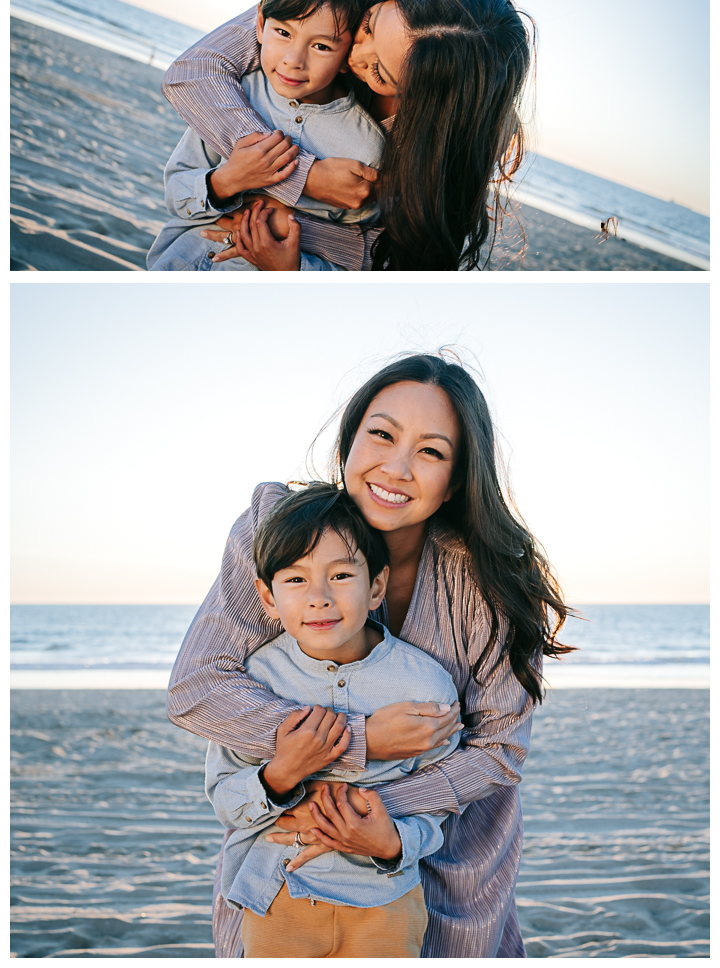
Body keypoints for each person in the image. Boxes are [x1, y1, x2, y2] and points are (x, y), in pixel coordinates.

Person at [167, 351, 574, 957]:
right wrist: (360, 740)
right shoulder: (276, 527)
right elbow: (198, 689)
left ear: (457, 478)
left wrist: (371, 816)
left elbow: (500, 752)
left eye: (431, 452)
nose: (398, 466)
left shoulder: (492, 576)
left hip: (446, 864)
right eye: (381, 435)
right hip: (288, 865)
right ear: (348, 442)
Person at [206, 483, 461, 957]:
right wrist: (282, 774)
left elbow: (440, 798)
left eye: (341, 575)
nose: (319, 597)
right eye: (296, 580)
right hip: (277, 893)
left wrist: (391, 843)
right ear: (267, 598)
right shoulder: (256, 680)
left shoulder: (426, 687)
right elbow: (225, 797)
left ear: (376, 587)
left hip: (385, 901)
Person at [162, 0, 534, 271]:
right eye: (368, 27)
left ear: (427, 99)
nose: (353, 57)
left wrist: (288, 245)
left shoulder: (449, 144)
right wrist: (302, 178)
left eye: (379, 72)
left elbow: (398, 260)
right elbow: (194, 71)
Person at [147, 0, 384, 271]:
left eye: (321, 46)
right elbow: (176, 196)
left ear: (348, 55)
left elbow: (358, 263)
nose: (293, 59)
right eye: (283, 33)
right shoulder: (233, 97)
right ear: (260, 25)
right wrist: (225, 181)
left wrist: (290, 267)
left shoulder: (366, 149)